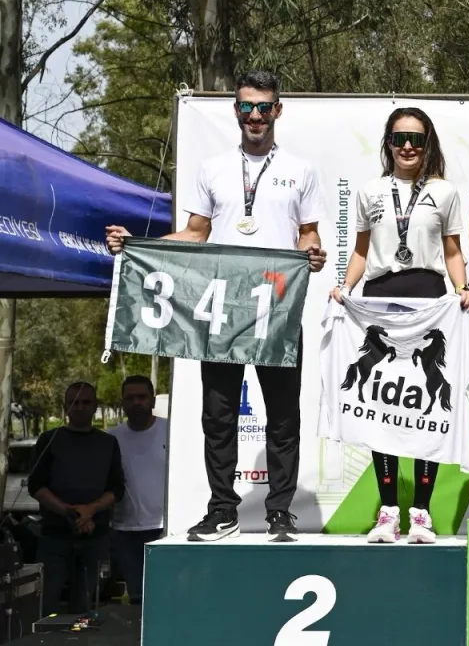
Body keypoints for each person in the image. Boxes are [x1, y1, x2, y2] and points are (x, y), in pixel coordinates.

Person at [106, 70, 328, 543]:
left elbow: (308, 235)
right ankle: (223, 509)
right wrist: (137, 245)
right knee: (219, 414)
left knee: (283, 414)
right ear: (236, 111)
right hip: (223, 308)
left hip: (275, 307)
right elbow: (195, 234)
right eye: (247, 107)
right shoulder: (213, 168)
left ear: (277, 110)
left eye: (263, 107)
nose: (255, 116)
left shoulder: (301, 170)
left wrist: (312, 253)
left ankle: (280, 512)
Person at [331, 107, 469, 544]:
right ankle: (388, 511)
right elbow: (361, 251)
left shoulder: (444, 192)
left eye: (417, 138)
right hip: (380, 302)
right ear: (388, 144)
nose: (408, 146)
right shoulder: (370, 191)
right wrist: (344, 287)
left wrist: (463, 289)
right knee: (384, 404)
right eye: (400, 138)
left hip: (429, 302)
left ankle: (421, 514)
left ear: (428, 144)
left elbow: (452, 251)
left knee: (425, 407)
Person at [27, 383, 125, 615]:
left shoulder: (108, 443)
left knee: (86, 609)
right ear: (65, 407)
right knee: (46, 606)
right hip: (54, 539)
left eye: (86, 402)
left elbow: (117, 489)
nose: (80, 407)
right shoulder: (49, 439)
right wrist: (69, 512)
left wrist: (90, 510)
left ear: (95, 406)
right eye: (74, 402)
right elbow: (36, 485)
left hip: (95, 538)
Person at [107, 376, 167, 606]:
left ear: (152, 400)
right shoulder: (111, 438)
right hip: (125, 532)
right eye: (130, 398)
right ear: (122, 403)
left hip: (165, 529)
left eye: (142, 397)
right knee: (138, 600)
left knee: (166, 596)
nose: (136, 403)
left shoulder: (171, 430)